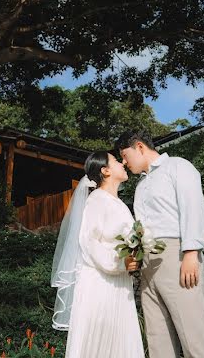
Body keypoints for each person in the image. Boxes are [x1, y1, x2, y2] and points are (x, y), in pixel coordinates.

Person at [115, 130, 204, 358]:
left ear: (139, 147)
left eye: (125, 155)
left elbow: (193, 207)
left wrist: (191, 252)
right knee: (157, 337)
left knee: (193, 332)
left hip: (177, 256)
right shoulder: (141, 185)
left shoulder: (178, 166)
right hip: (148, 264)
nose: (124, 162)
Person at [51, 150, 146, 358]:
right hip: (100, 283)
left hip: (120, 285)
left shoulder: (118, 204)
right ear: (105, 171)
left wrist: (135, 258)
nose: (122, 162)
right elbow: (89, 242)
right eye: (115, 161)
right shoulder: (96, 200)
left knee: (120, 342)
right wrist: (121, 262)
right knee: (100, 343)